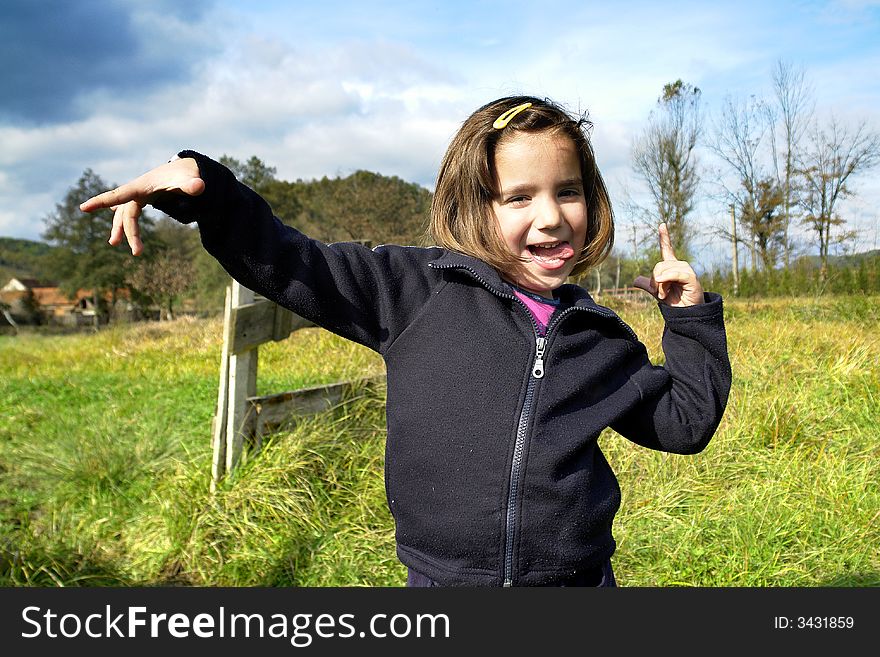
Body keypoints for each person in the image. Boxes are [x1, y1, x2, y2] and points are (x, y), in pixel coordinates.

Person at [80, 96, 731, 587]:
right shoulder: (415, 291)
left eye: (568, 191)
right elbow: (292, 260)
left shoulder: (599, 339)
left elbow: (683, 423)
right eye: (518, 197)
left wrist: (690, 319)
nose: (551, 214)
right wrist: (207, 189)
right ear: (475, 207)